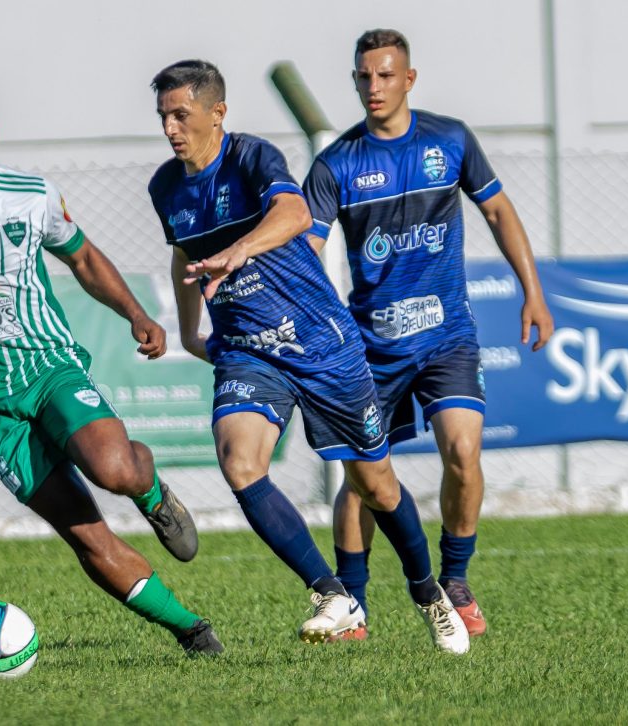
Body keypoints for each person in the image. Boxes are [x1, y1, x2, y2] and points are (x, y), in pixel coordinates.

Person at [0, 81, 222, 657]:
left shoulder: (30, 196)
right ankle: (191, 630)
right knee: (83, 532)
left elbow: (81, 256)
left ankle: (149, 490)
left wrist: (134, 313)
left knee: (113, 470)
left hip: (49, 366)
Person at [148, 60, 470, 653]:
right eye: (164, 116)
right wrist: (190, 330)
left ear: (217, 114)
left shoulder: (251, 157)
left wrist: (239, 250)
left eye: (181, 115)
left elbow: (295, 214)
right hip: (250, 351)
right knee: (239, 461)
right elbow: (183, 252)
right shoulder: (165, 186)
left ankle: (428, 593)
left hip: (322, 342)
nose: (170, 127)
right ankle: (333, 593)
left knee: (376, 486)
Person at [303, 29, 555, 638]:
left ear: (408, 79)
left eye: (386, 75)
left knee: (464, 453)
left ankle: (457, 581)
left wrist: (534, 291)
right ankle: (352, 605)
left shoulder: (450, 139)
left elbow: (497, 210)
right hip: (372, 345)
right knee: (364, 477)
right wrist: (317, 325)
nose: (374, 87)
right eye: (364, 77)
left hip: (447, 336)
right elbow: (308, 248)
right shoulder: (337, 163)